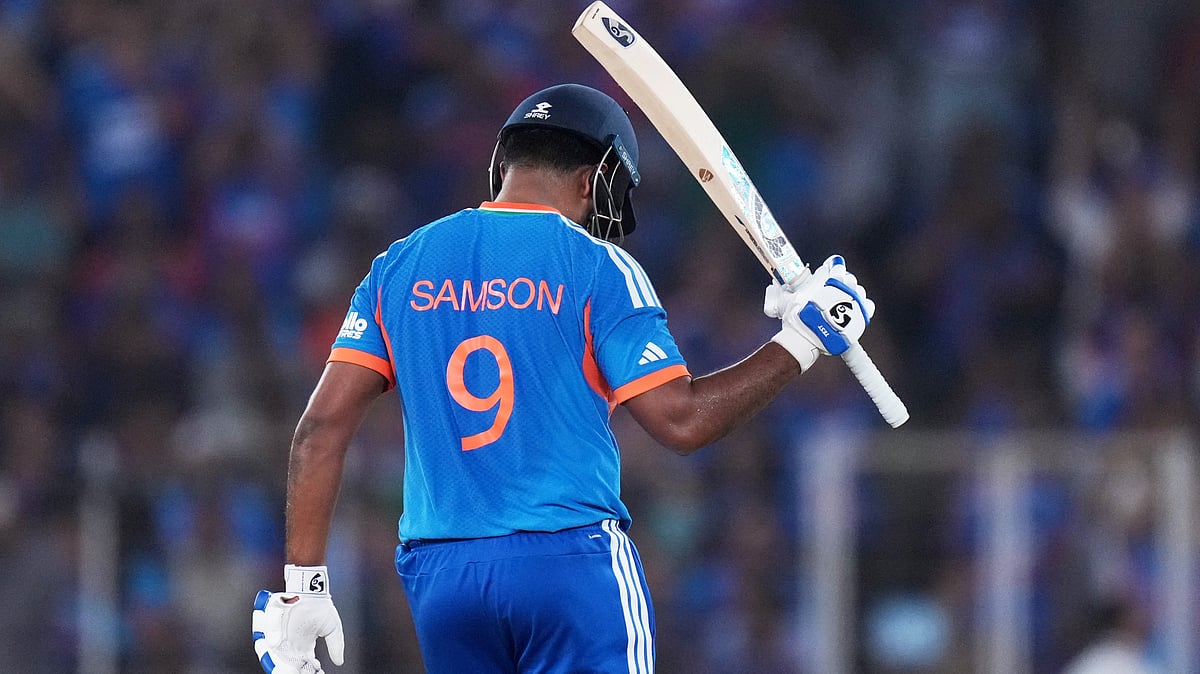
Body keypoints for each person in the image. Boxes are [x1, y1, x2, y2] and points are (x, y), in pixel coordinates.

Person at [252, 83, 876, 673]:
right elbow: (682, 422)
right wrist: (799, 343)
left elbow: (320, 430)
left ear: (503, 165)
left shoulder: (400, 265)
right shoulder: (599, 266)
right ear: (592, 182)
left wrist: (303, 587)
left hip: (442, 576)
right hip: (567, 561)